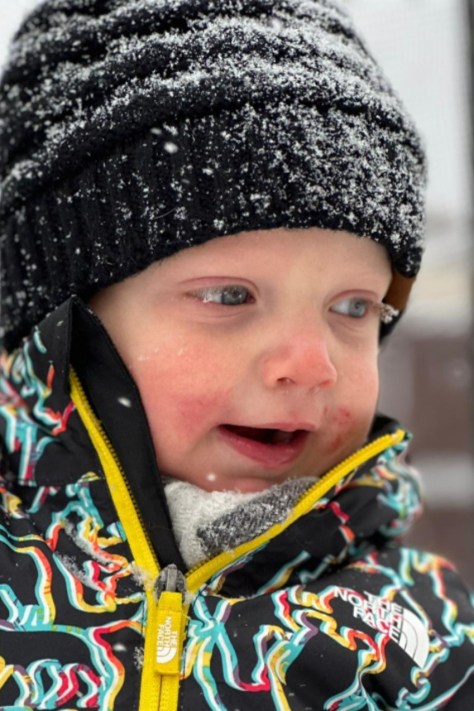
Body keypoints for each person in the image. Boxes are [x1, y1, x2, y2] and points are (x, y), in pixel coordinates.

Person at [0, 0, 472, 708]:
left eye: (352, 308)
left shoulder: (419, 631)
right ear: (61, 324)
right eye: (230, 296)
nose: (312, 365)